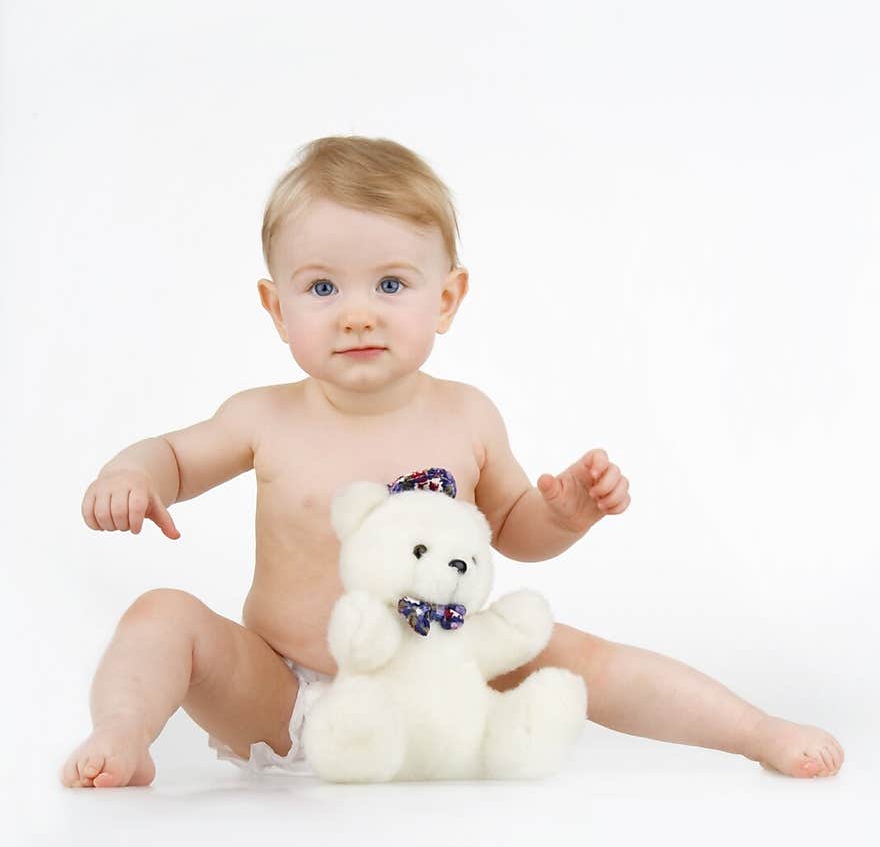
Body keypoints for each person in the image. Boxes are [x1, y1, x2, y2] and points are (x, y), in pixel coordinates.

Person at [60, 136, 844, 787]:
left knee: (575, 652)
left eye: (392, 283)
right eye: (323, 286)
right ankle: (122, 737)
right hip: (285, 694)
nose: (357, 312)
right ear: (277, 308)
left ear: (446, 298)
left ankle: (755, 731)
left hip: (443, 680)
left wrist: (564, 514)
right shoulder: (263, 417)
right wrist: (133, 475)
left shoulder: (466, 415)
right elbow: (171, 454)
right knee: (164, 613)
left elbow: (512, 527)